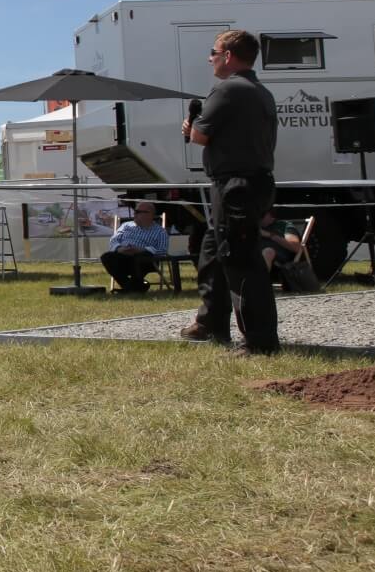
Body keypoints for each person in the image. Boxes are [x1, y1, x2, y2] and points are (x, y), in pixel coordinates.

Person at [181, 28, 279, 354]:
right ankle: (210, 323)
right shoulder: (257, 89)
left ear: (227, 56)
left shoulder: (227, 90)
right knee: (213, 252)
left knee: (241, 260)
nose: (209, 57)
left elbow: (200, 137)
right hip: (251, 182)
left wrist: (191, 126)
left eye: (213, 51)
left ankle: (259, 341)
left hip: (236, 186)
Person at [101, 201, 169, 293]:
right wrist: (120, 249)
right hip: (124, 256)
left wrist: (142, 250)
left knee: (139, 258)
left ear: (150, 214)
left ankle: (132, 288)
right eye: (135, 212)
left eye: (138, 212)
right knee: (106, 257)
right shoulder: (126, 226)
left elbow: (162, 251)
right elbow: (114, 240)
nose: (134, 214)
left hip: (146, 260)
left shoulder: (160, 231)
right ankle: (133, 287)